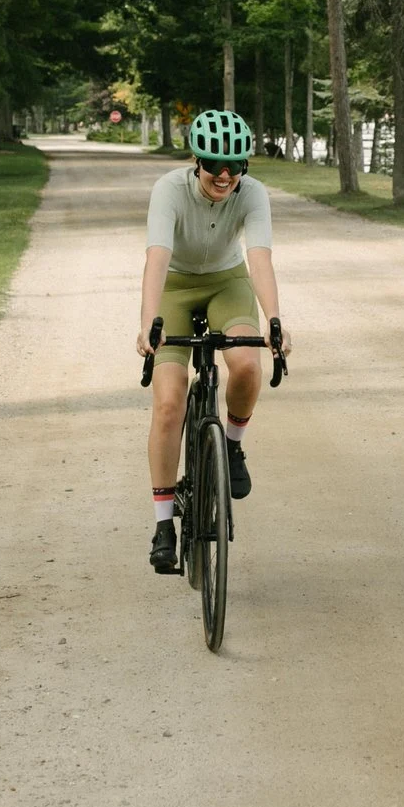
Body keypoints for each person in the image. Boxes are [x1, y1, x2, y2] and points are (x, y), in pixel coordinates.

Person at [136, 109, 293, 574]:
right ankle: (164, 525)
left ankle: (232, 444)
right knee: (168, 402)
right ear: (195, 160)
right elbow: (158, 256)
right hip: (176, 286)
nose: (224, 176)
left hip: (228, 282)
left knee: (246, 363)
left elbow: (259, 258)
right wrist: (149, 321)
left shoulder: (253, 194)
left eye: (236, 166)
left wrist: (276, 320)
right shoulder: (169, 190)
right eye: (213, 165)